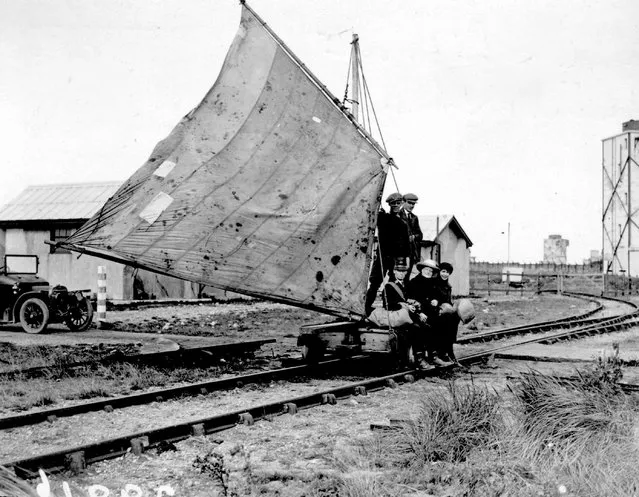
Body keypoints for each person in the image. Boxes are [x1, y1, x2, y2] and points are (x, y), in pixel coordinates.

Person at [364, 192, 410, 315]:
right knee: (375, 282)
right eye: (393, 203)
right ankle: (366, 308)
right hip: (382, 256)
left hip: (396, 259)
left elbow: (406, 245)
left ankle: (392, 308)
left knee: (395, 284)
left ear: (402, 204)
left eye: (398, 203)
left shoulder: (404, 222)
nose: (396, 205)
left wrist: (404, 261)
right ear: (389, 204)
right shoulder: (383, 218)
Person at [406, 259, 453, 367]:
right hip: (416, 314)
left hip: (430, 313)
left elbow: (438, 296)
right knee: (419, 327)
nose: (428, 272)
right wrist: (419, 313)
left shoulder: (433, 283)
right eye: (426, 269)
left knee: (439, 324)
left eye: (431, 271)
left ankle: (434, 356)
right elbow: (409, 301)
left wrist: (436, 300)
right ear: (421, 269)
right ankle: (420, 358)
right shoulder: (413, 283)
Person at [430, 261, 461, 363]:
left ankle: (448, 348)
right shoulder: (433, 283)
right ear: (439, 272)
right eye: (443, 271)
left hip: (445, 310)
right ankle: (442, 352)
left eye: (447, 272)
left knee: (455, 317)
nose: (445, 274)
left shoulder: (448, 286)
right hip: (434, 310)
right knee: (444, 320)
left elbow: (448, 301)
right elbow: (430, 298)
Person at [401, 193, 423, 286]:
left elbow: (420, 235)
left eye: (413, 204)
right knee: (397, 276)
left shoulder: (414, 218)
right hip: (399, 253)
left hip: (410, 254)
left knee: (407, 276)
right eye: (410, 203)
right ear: (403, 202)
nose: (412, 206)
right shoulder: (397, 215)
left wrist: (413, 237)